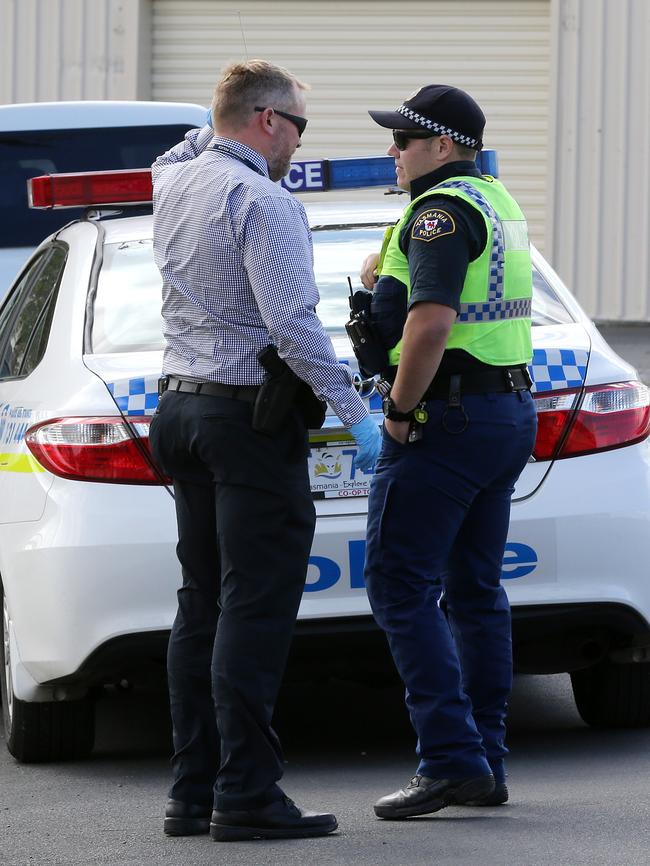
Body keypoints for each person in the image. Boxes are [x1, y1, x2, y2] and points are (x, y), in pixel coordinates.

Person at [148, 59, 380, 843]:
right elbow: (294, 327)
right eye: (299, 125)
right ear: (268, 122)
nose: (299, 143)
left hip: (180, 411)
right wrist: (358, 417)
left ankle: (193, 791)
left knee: (201, 603)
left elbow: (185, 145)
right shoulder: (263, 200)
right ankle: (246, 793)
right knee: (255, 607)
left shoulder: (174, 180)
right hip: (245, 424)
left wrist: (218, 123)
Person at [360, 84, 538, 819]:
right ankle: (483, 761)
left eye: (403, 140)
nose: (393, 153)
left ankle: (450, 760)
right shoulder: (496, 198)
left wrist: (398, 411)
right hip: (506, 415)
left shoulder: (438, 213)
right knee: (474, 593)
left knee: (398, 587)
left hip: (450, 422)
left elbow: (430, 327)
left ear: (439, 145)